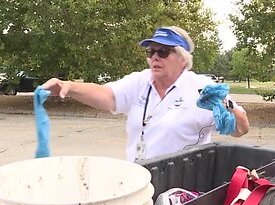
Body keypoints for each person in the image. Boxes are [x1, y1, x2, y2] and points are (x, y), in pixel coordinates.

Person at [42, 26, 249, 161]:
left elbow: (240, 129)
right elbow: (108, 95)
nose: (155, 57)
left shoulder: (202, 88)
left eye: (163, 52)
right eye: (151, 52)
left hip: (182, 186)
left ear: (183, 59)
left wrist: (228, 109)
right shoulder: (139, 80)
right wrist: (68, 87)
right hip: (138, 179)